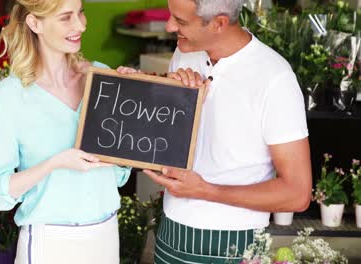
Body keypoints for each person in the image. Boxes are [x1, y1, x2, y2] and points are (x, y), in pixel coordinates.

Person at [120, 0, 312, 263]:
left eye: (181, 21)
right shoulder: (185, 55)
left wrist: (204, 190)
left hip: (232, 240)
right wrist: (162, 93)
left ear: (219, 23)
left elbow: (298, 193)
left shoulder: (275, 78)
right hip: (170, 231)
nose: (169, 26)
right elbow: (169, 144)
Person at [0, 0, 131, 263]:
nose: (81, 24)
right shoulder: (10, 96)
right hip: (49, 244)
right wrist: (55, 163)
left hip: (105, 237)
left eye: (80, 12)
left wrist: (133, 97)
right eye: (66, 17)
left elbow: (118, 176)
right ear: (35, 23)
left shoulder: (102, 78)